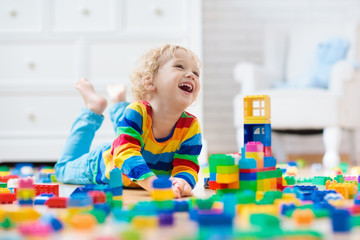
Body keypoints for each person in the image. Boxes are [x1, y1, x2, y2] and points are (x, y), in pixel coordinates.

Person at [55, 44, 202, 198]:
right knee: (62, 170)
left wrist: (182, 181)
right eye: (180, 66)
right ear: (150, 82)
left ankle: (118, 102)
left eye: (196, 73)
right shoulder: (137, 111)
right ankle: (92, 109)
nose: (191, 75)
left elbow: (187, 163)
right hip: (101, 165)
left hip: (134, 157)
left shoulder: (191, 126)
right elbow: (125, 152)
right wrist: (153, 184)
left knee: (131, 125)